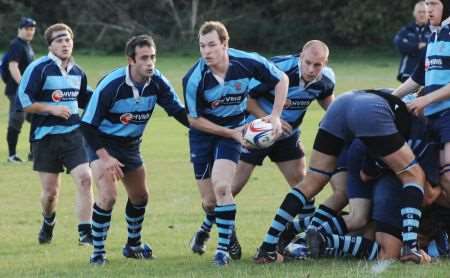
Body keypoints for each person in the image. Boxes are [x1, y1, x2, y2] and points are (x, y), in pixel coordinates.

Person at [189, 40, 335, 258]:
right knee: (230, 189)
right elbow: (246, 99)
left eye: (318, 65)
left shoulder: (326, 79)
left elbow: (328, 103)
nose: (312, 70)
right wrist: (269, 121)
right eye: (308, 63)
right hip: (254, 132)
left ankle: (303, 239)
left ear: (325, 63)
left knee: (305, 186)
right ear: (300, 57)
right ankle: (208, 231)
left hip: (287, 135)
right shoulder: (279, 69)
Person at [253, 89, 426, 264]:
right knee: (414, 175)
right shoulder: (415, 115)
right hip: (369, 112)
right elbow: (369, 170)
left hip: (340, 105)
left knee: (313, 179)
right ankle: (410, 248)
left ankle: (268, 247)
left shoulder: (395, 96)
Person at [183, 21, 288, 265]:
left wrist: (274, 116)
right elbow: (193, 119)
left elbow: (281, 79)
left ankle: (221, 251)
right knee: (210, 202)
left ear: (224, 44)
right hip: (203, 135)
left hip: (235, 131)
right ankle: (227, 234)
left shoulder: (247, 61)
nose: (206, 51)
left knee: (222, 188)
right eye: (202, 46)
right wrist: (228, 132)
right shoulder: (194, 77)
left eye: (211, 45)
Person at [81, 34, 189, 265]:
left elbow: (179, 111)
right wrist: (105, 157)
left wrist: (207, 130)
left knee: (140, 197)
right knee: (108, 197)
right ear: (131, 60)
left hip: (130, 145)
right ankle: (98, 253)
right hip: (102, 142)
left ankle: (133, 245)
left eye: (153, 57)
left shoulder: (157, 82)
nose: (150, 63)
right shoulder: (112, 85)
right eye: (144, 58)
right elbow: (87, 126)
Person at [16, 23, 94, 246]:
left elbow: (86, 99)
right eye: (59, 39)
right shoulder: (39, 68)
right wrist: (51, 109)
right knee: (50, 193)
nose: (65, 43)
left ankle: (85, 234)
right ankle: (48, 221)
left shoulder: (78, 73)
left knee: (85, 179)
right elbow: (24, 101)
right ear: (50, 45)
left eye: (68, 39)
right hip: (45, 136)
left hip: (74, 135)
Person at [393, 1, 450, 204]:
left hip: (447, 115)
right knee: (438, 185)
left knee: (448, 177)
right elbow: (418, 77)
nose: (428, 10)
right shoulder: (434, 35)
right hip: (432, 118)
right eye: (426, 4)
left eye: (433, 4)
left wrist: (425, 99)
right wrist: (390, 97)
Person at [3, 17, 36, 162]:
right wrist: (23, 85)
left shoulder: (26, 45)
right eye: (26, 29)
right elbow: (13, 66)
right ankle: (12, 155)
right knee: (17, 120)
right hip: (16, 91)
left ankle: (34, 153)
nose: (29, 31)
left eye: (32, 29)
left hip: (24, 91)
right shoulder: (17, 45)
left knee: (36, 118)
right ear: (20, 30)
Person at [393, 1, 431, 82]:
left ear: (428, 13)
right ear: (414, 13)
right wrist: (417, 46)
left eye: (424, 12)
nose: (422, 14)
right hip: (408, 70)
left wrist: (412, 47)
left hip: (427, 71)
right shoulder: (407, 29)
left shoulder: (433, 30)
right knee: (408, 93)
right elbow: (399, 44)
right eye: (419, 12)